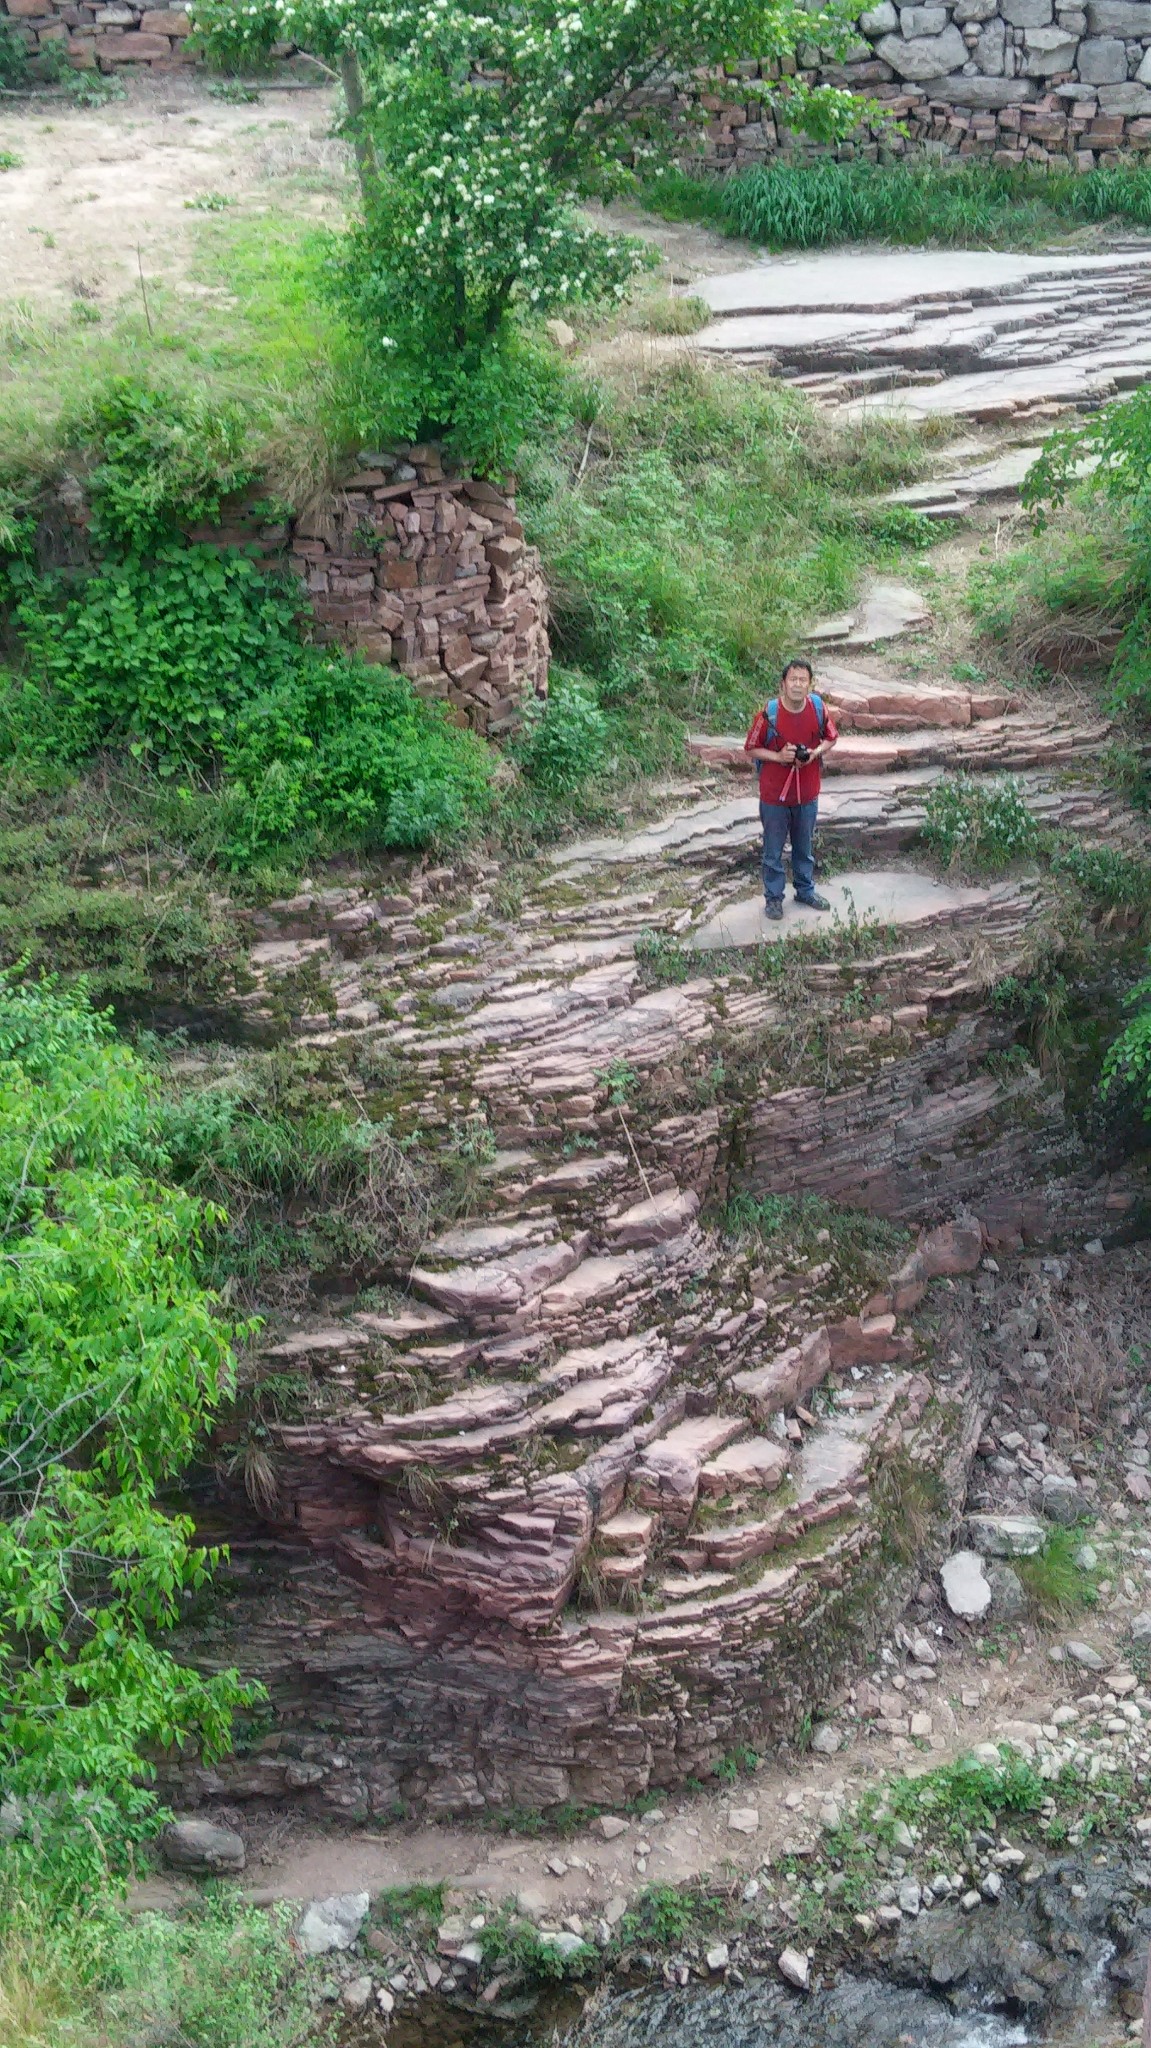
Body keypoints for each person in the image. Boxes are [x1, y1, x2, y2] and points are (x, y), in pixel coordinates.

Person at [744, 658, 839, 922]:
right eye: (793, 679)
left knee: (804, 846)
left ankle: (805, 891)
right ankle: (774, 899)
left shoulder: (818, 708)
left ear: (810, 684)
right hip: (775, 795)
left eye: (803, 680)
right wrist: (778, 756)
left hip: (807, 793)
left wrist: (814, 753)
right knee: (773, 850)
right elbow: (750, 747)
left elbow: (831, 737)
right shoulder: (769, 714)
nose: (797, 684)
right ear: (783, 684)